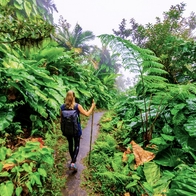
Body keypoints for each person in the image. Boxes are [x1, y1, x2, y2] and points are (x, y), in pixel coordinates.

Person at [60, 90, 96, 171]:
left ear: (66, 97)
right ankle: (73, 163)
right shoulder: (77, 106)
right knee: (76, 145)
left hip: (67, 130)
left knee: (70, 144)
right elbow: (87, 114)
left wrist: (63, 130)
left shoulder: (62, 107)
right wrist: (92, 106)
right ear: (74, 97)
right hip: (76, 129)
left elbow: (61, 120)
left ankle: (73, 162)